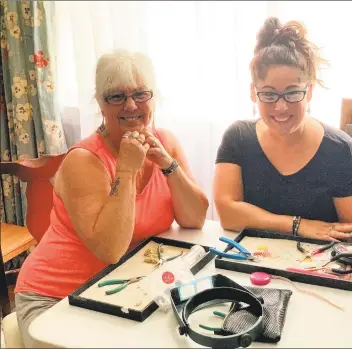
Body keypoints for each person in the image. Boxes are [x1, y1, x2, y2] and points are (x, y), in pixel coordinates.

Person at [14, 50, 209, 347]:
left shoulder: (165, 140)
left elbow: (195, 219)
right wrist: (127, 169)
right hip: (55, 298)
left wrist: (169, 165)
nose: (130, 105)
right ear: (100, 105)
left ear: (153, 98)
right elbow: (110, 249)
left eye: (140, 94)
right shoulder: (84, 160)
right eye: (116, 96)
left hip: (118, 291)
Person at [214, 17, 352, 249]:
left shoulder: (343, 154)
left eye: (292, 93)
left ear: (309, 92)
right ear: (252, 92)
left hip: (334, 268)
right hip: (264, 262)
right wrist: (299, 225)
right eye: (268, 94)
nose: (281, 107)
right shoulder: (237, 138)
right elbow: (228, 214)